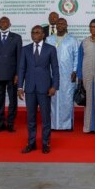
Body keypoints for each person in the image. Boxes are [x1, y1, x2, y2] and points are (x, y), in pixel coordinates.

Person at [17, 25, 60, 154]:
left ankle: (45, 143)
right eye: (33, 32)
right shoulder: (25, 50)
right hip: (29, 88)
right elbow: (21, 69)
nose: (34, 34)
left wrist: (54, 86)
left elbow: (56, 69)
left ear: (43, 35)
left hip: (45, 88)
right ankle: (31, 143)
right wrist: (20, 87)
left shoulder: (50, 49)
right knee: (31, 118)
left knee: (46, 118)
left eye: (37, 32)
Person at [0, 16, 22, 133]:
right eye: (1, 21)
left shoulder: (17, 38)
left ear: (10, 24)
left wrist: (18, 74)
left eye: (6, 21)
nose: (3, 23)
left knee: (13, 100)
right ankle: (0, 123)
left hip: (12, 75)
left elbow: (19, 58)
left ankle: (10, 123)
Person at [46, 18, 78, 131]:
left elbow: (76, 56)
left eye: (63, 23)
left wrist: (75, 71)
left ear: (66, 25)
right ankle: (53, 125)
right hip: (51, 73)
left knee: (67, 99)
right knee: (53, 98)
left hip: (67, 74)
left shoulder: (72, 40)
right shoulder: (49, 39)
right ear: (56, 26)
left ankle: (67, 125)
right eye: (58, 23)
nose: (60, 25)